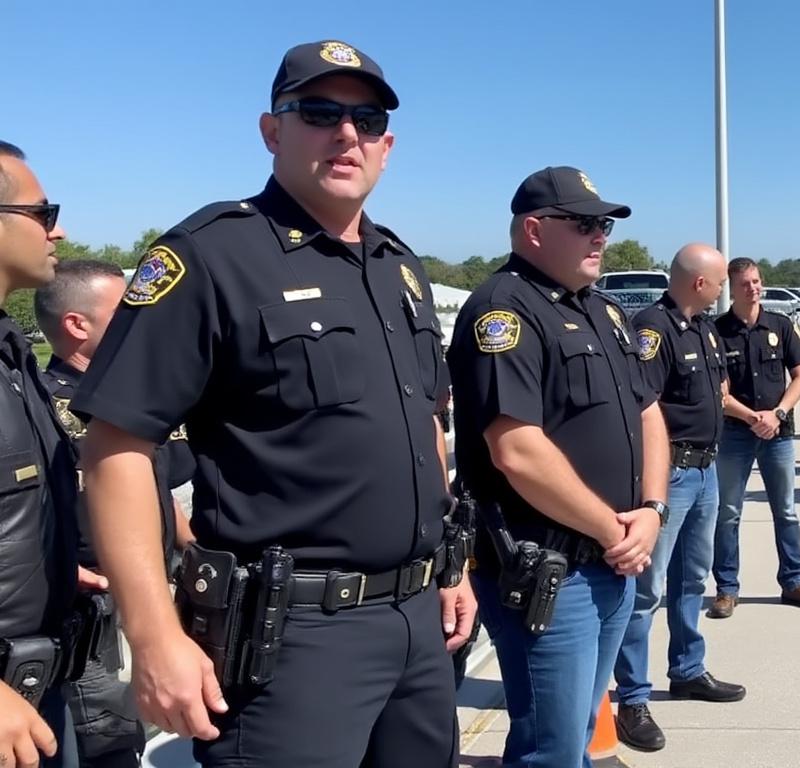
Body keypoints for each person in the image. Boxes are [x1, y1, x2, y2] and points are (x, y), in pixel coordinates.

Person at [70, 41, 473, 766]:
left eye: (367, 118)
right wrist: (156, 633)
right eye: (319, 112)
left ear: (389, 144)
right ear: (272, 130)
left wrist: (453, 567)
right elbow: (117, 449)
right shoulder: (211, 256)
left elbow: (426, 427)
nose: (347, 134)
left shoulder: (399, 268)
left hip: (418, 621)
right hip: (295, 642)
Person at [449, 165, 668, 768]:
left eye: (604, 224)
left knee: (569, 738)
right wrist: (612, 528)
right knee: (552, 748)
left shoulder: (607, 312)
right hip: (548, 571)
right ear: (534, 229)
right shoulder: (504, 311)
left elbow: (647, 411)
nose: (601, 236)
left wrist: (652, 511)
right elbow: (515, 448)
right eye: (585, 224)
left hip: (613, 559)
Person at [33, 260, 197, 768]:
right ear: (77, 326)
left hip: (158, 582)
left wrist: (191, 548)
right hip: (98, 605)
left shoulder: (134, 400)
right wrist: (62, 568)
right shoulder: (44, 408)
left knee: (149, 725)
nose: (139, 318)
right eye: (124, 309)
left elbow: (157, 486)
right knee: (109, 739)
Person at [612, 243, 745, 753]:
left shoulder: (704, 329)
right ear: (698, 283)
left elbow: (719, 388)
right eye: (718, 283)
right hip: (671, 476)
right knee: (646, 590)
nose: (723, 290)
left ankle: (688, 669)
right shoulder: (653, 329)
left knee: (693, 578)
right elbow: (643, 410)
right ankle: (633, 697)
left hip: (706, 471)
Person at [0, 140, 85, 768]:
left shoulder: (13, 355)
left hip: (32, 682)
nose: (60, 232)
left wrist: (50, 561)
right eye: (44, 213)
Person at [708, 257, 800, 618]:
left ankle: (793, 582)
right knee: (728, 513)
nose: (754, 288)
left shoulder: (780, 324)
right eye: (745, 283)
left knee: (786, 511)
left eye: (757, 281)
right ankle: (726, 589)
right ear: (731, 287)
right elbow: (719, 391)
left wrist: (777, 414)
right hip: (735, 434)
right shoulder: (715, 331)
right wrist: (752, 417)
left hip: (778, 433)